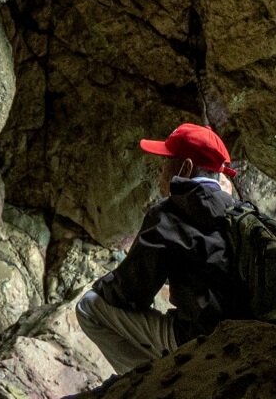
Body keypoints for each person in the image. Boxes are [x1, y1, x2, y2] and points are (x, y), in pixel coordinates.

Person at [74, 122, 255, 373]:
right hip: (248, 343)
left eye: (167, 160)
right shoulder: (241, 212)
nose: (161, 168)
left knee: (89, 307)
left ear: (185, 168)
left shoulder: (170, 213)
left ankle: (146, 384)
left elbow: (129, 293)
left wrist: (103, 285)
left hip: (201, 342)